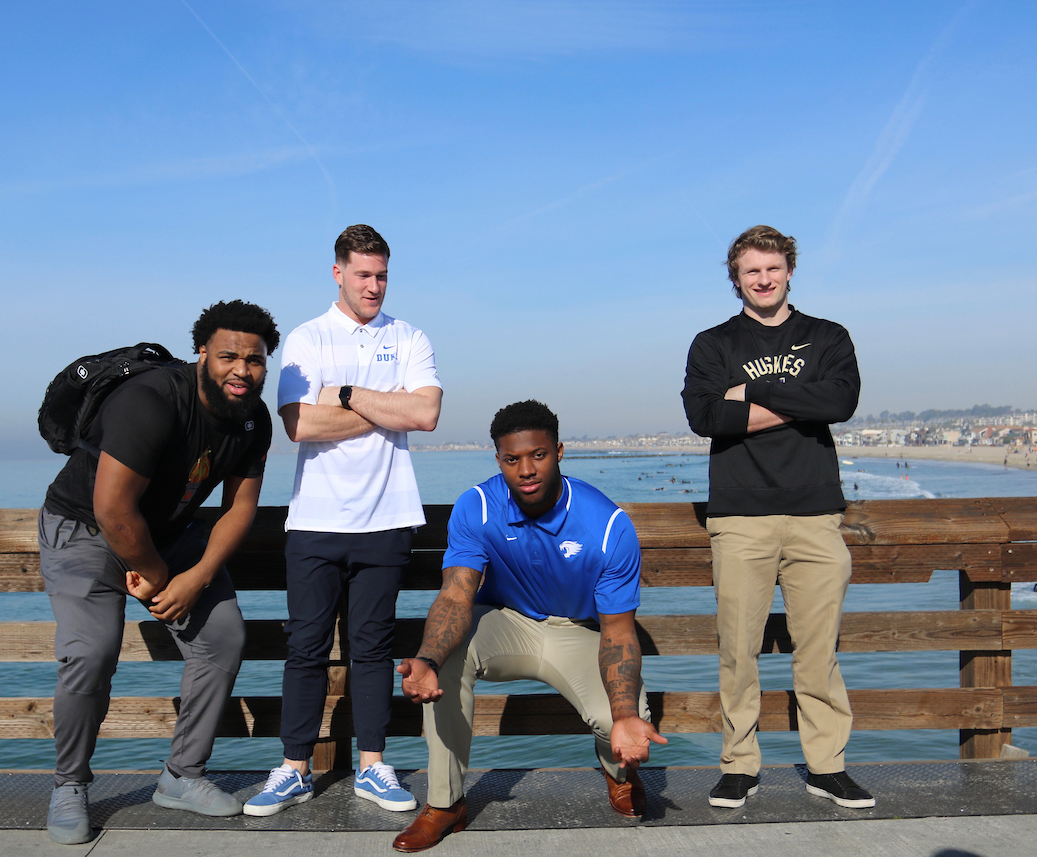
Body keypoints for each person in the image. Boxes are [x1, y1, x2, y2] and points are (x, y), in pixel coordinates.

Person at [38, 300, 280, 844]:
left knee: (222, 636)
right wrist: (155, 575)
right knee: (91, 650)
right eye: (228, 356)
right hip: (86, 530)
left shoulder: (253, 419)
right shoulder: (149, 401)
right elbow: (113, 510)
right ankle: (69, 785)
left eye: (256, 360)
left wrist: (194, 578)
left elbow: (239, 507)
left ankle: (181, 776)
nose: (242, 370)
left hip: (169, 536)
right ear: (201, 355)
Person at [391, 400, 666, 852]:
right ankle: (446, 803)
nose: (526, 469)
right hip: (507, 624)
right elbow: (458, 594)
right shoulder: (477, 506)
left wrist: (623, 716)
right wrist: (426, 658)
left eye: (537, 455)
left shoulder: (608, 525)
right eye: (512, 459)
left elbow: (617, 632)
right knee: (446, 658)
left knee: (619, 719)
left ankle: (619, 772)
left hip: (580, 631)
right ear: (498, 459)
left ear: (558, 451)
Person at [246, 224, 442, 817]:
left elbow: (427, 413)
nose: (374, 285)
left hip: (388, 517)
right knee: (305, 647)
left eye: (382, 275)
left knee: (372, 648)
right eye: (363, 274)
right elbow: (300, 425)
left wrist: (348, 394)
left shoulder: (410, 336)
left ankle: (373, 766)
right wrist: (385, 406)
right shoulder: (307, 338)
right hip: (315, 521)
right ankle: (294, 768)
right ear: (338, 273)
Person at [681, 225, 874, 810]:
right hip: (740, 515)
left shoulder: (827, 335)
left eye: (772, 269)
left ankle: (827, 767)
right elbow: (706, 417)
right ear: (735, 278)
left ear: (790, 270)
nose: (762, 280)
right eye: (750, 271)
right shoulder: (712, 343)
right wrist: (798, 396)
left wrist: (752, 393)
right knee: (739, 649)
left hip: (817, 514)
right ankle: (740, 765)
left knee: (818, 651)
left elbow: (839, 403)